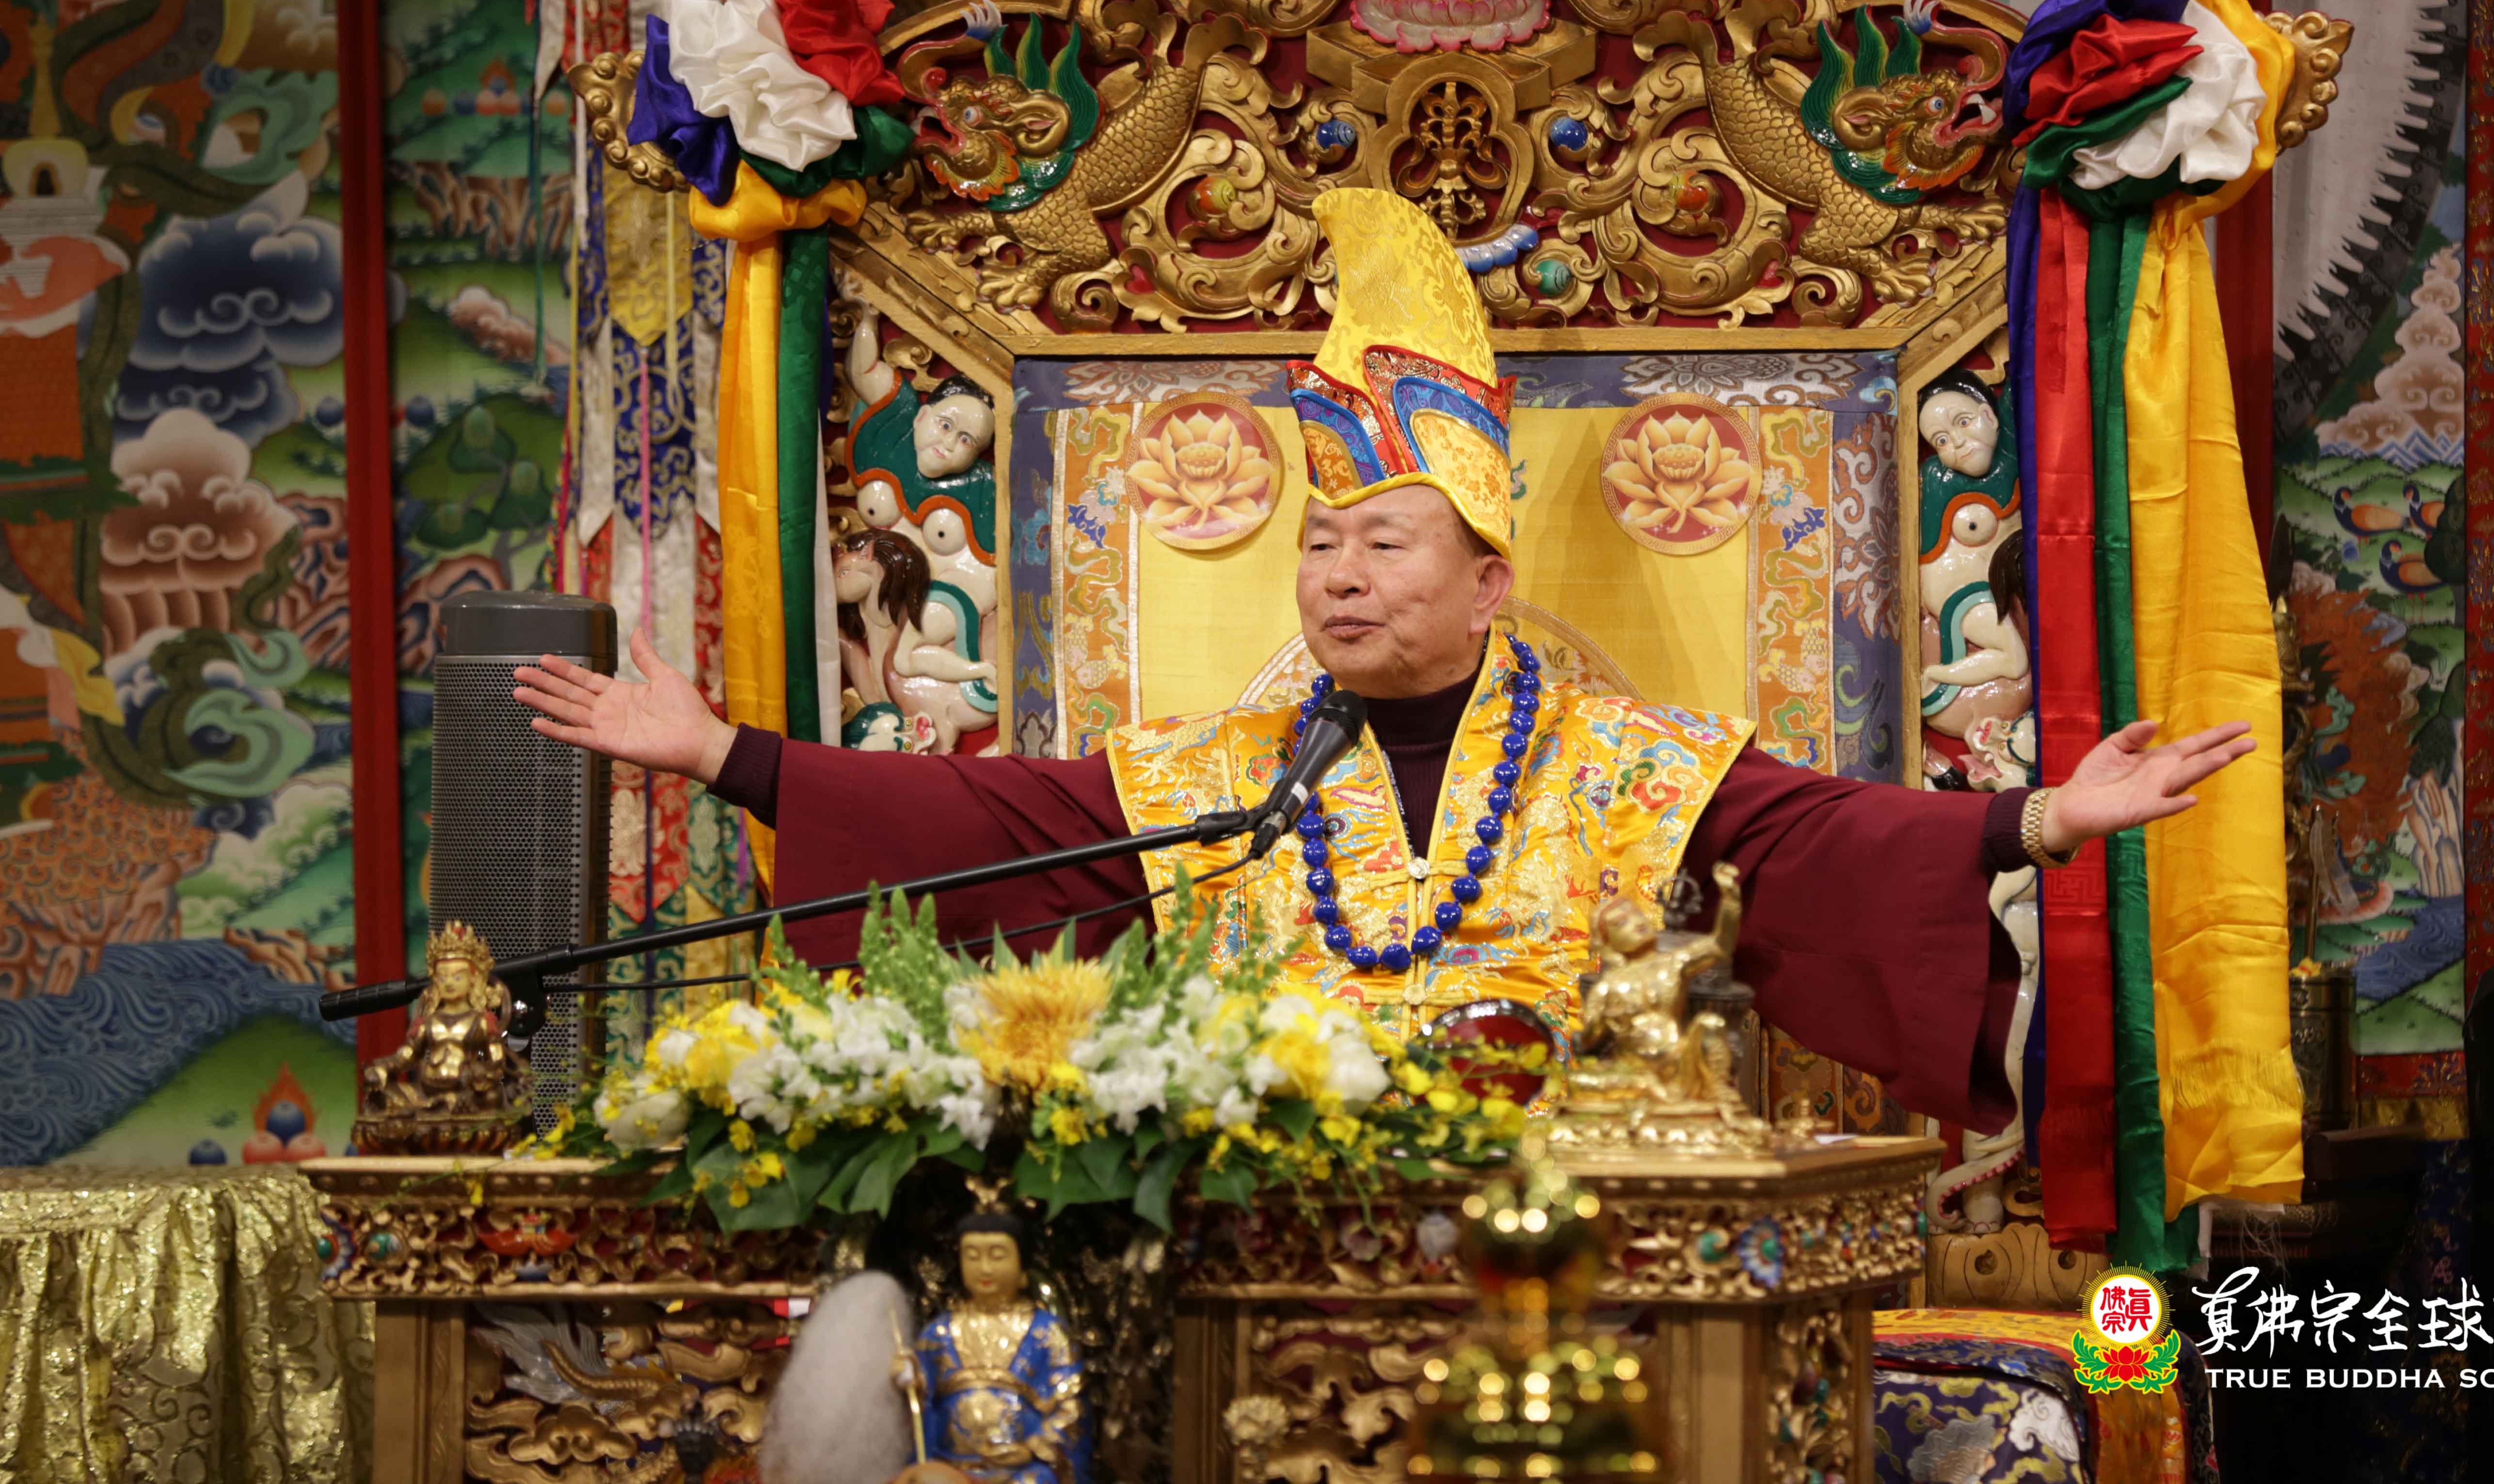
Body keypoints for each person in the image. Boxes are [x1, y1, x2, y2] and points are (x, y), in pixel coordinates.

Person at [516, 188, 2252, 1133]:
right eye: (1320, 545)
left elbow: (1825, 835)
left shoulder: (1623, 759)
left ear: (1490, 582)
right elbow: (993, 829)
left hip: (1579, 1216)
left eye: (1384, 544)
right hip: (1284, 1206)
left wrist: (2044, 819)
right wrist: (723, 755)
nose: (1339, 577)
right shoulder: (1226, 779)